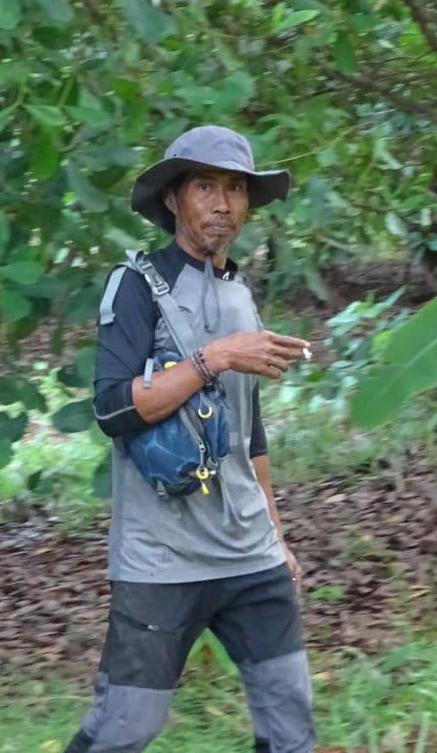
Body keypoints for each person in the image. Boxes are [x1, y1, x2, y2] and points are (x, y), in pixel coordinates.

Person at [63, 126, 316, 753]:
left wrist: (276, 538)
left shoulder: (240, 291)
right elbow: (114, 409)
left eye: (236, 188)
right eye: (206, 186)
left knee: (290, 719)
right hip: (161, 556)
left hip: (250, 552)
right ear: (174, 198)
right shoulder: (137, 285)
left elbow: (247, 430)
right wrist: (216, 356)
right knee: (128, 727)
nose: (223, 203)